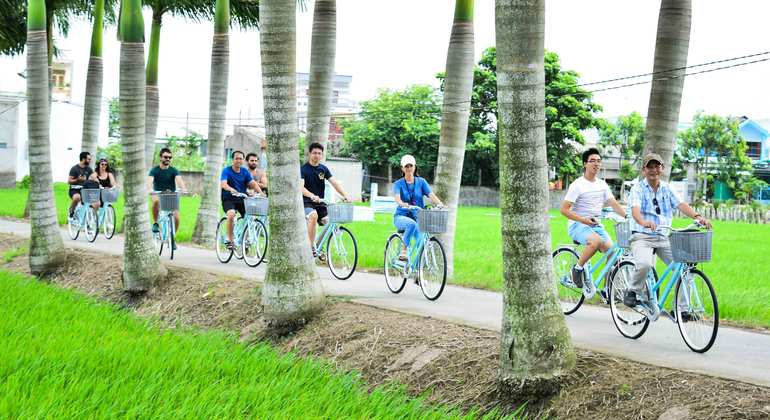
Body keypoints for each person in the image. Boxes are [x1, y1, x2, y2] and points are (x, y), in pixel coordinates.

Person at [624, 153, 712, 310]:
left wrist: (698, 217)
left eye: (657, 166)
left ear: (662, 168)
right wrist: (644, 222)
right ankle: (633, 290)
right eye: (650, 166)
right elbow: (635, 210)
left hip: (663, 237)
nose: (654, 170)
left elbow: (681, 205)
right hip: (641, 236)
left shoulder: (667, 188)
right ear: (644, 170)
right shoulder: (637, 189)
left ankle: (683, 309)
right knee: (644, 264)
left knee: (684, 269)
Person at [560, 148, 626, 289]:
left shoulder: (602, 184)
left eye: (598, 161)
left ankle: (607, 289)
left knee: (613, 253)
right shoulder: (577, 185)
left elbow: (613, 203)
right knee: (595, 241)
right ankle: (577, 269)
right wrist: (584, 220)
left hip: (595, 226)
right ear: (585, 164)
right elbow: (564, 210)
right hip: (577, 225)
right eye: (592, 161)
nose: (596, 164)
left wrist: (627, 216)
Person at [300, 142, 352, 251]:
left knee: (330, 222)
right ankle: (309, 249)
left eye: (319, 153)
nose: (317, 155)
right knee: (313, 216)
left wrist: (345, 194)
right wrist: (311, 195)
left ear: (322, 155)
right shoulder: (303, 169)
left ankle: (318, 247)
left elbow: (334, 183)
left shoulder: (323, 169)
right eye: (314, 153)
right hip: (306, 203)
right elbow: (301, 187)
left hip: (320, 203)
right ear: (310, 153)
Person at [392, 154, 444, 260]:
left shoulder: (421, 182)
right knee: (411, 224)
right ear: (402, 168)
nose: (409, 168)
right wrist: (402, 204)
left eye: (411, 166)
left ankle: (416, 269)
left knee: (421, 241)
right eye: (406, 166)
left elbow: (431, 195)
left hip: (418, 217)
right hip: (401, 216)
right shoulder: (398, 183)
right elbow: (397, 198)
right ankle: (404, 250)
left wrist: (440, 204)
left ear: (415, 167)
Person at [221, 150, 262, 248]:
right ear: (233, 160)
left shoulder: (244, 172)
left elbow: (253, 183)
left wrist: (261, 193)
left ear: (243, 160)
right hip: (229, 199)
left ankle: (246, 239)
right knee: (231, 215)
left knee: (250, 216)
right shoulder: (226, 171)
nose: (239, 160)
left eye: (241, 159)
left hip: (242, 199)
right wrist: (231, 189)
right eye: (236, 158)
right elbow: (223, 184)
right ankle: (230, 240)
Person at [147, 147, 187, 234]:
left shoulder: (173, 170)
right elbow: (149, 182)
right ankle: (156, 223)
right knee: (156, 202)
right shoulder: (154, 170)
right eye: (165, 157)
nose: (168, 159)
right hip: (157, 193)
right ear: (161, 157)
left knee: (176, 217)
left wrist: (183, 189)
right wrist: (149, 189)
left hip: (171, 195)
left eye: (170, 157)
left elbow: (179, 181)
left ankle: (173, 236)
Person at [68, 151, 94, 217]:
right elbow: (69, 181)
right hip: (75, 190)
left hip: (85, 190)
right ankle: (71, 211)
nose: (90, 161)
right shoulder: (74, 168)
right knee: (77, 197)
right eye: (89, 159)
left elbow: (94, 179)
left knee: (95, 200)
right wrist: (78, 180)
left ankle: (89, 219)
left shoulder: (89, 169)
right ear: (83, 159)